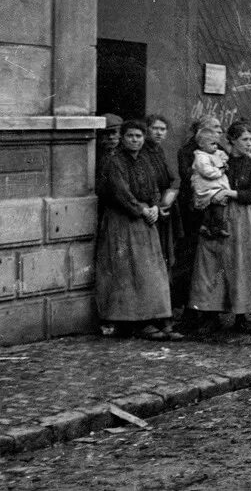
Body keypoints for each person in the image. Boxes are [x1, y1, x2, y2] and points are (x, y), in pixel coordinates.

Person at [95, 120, 182, 341]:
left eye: (139, 136)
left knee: (153, 270)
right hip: (123, 221)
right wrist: (142, 210)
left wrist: (154, 205)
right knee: (131, 272)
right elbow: (120, 192)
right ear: (123, 138)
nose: (135, 140)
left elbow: (153, 187)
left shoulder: (144, 160)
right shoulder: (114, 162)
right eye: (131, 136)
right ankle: (137, 322)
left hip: (145, 220)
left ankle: (158, 319)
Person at [188, 120, 251, 335]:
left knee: (241, 265)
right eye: (245, 140)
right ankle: (210, 314)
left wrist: (230, 193)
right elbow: (202, 178)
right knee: (211, 265)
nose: (249, 144)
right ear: (231, 140)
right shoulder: (217, 159)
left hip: (240, 218)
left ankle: (243, 316)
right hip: (214, 215)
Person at [174, 116, 223, 316]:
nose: (220, 132)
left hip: (213, 208)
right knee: (190, 256)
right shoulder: (187, 151)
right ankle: (186, 306)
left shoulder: (219, 149)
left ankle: (210, 306)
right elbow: (190, 176)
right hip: (193, 210)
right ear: (202, 131)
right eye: (216, 128)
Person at [141, 114, 180, 270]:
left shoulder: (159, 151)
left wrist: (167, 201)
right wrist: (157, 205)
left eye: (162, 129)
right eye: (155, 128)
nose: (159, 133)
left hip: (163, 205)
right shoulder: (142, 152)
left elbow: (172, 178)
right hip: (150, 206)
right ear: (147, 130)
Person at [190, 128, 232, 240]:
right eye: (212, 144)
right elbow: (207, 171)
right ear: (201, 144)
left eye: (217, 144)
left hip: (214, 186)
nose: (216, 147)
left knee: (213, 207)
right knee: (215, 206)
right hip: (206, 187)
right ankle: (217, 227)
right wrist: (220, 171)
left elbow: (225, 157)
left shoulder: (217, 153)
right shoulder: (201, 157)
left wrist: (224, 162)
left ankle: (207, 226)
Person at [95, 113, 123, 187]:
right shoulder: (95, 156)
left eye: (114, 132)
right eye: (105, 133)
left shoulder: (125, 154)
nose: (110, 137)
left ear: (120, 134)